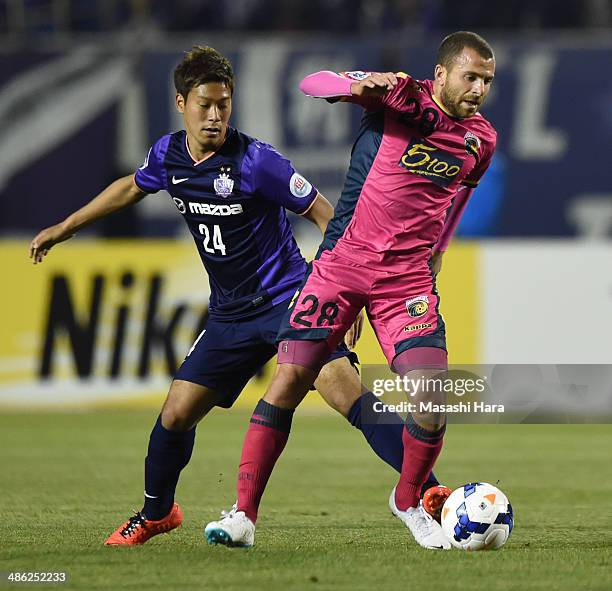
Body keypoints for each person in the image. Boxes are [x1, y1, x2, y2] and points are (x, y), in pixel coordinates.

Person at [29, 46, 445, 546]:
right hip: (229, 313)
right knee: (176, 413)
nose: (215, 114)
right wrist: (66, 226)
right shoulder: (168, 156)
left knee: (345, 392)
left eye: (224, 104)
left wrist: (338, 284)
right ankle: (157, 512)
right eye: (204, 104)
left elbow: (323, 211)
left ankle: (430, 493)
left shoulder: (257, 161)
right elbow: (130, 188)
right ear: (181, 102)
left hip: (290, 297)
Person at [205, 31, 497, 550]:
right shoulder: (403, 97)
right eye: (470, 77)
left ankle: (407, 500)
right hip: (341, 266)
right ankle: (243, 516)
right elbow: (312, 83)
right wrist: (357, 81)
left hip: (406, 280)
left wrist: (439, 253)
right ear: (444, 73)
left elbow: (456, 202)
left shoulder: (481, 141)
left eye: (487, 81)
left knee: (432, 400)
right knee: (291, 379)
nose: (478, 89)